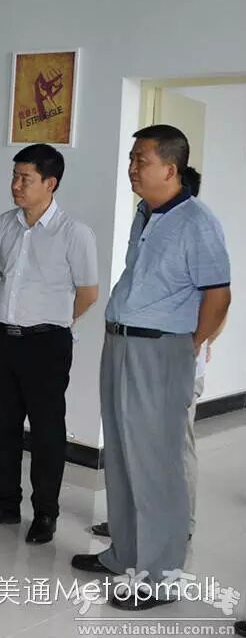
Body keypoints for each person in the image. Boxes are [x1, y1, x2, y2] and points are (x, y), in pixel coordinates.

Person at [73, 126, 230, 610]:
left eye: (141, 160)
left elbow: (219, 296)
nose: (132, 169)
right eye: (131, 159)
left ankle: (160, 578)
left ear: (170, 168)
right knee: (122, 456)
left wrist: (190, 345)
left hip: (162, 351)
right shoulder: (146, 213)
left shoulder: (197, 221)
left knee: (157, 465)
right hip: (121, 344)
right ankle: (124, 554)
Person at [0, 144, 98, 546]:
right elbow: (6, 276)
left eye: (26, 178)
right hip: (4, 337)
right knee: (4, 426)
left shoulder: (74, 233)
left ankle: (45, 513)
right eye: (15, 176)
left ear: (50, 183)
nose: (16, 185)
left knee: (45, 431)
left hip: (46, 342)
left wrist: (56, 322)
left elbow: (88, 293)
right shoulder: (5, 224)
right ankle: (4, 503)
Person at [89, 166, 218, 540]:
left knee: (173, 448)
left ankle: (180, 525)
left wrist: (199, 343)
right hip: (135, 355)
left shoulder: (193, 230)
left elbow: (216, 299)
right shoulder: (144, 219)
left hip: (171, 359)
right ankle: (129, 522)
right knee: (133, 445)